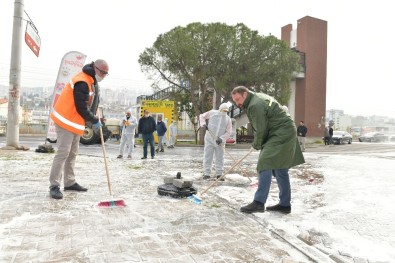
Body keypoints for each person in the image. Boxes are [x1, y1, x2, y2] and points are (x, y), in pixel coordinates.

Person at [231, 86, 305, 214]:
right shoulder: (256, 99)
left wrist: (256, 144)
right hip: (283, 131)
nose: (237, 103)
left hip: (281, 132)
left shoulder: (255, 105)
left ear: (245, 94)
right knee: (280, 168)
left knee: (265, 162)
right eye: (235, 101)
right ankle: (284, 204)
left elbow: (261, 129)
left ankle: (259, 202)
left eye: (238, 99)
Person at [48, 59, 109, 199]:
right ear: (95, 68)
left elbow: (90, 103)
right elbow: (81, 107)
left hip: (75, 122)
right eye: (103, 72)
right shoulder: (82, 81)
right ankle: (54, 185)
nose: (104, 76)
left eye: (106, 74)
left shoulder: (91, 81)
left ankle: (69, 182)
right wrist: (93, 120)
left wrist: (95, 117)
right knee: (63, 153)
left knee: (72, 153)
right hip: (65, 120)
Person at [199, 103, 232, 181]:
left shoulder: (227, 119)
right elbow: (202, 116)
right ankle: (206, 174)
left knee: (220, 157)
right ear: (220, 109)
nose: (224, 112)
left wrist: (222, 139)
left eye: (226, 111)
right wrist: (203, 124)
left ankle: (219, 174)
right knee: (208, 156)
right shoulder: (212, 113)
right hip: (209, 139)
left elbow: (229, 132)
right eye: (223, 110)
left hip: (220, 142)